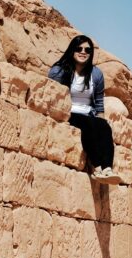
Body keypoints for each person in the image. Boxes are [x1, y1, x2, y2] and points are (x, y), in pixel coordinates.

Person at [48, 35, 121, 184]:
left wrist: (101, 121)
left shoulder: (96, 74)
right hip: (68, 112)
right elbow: (52, 94)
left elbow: (99, 104)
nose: (83, 52)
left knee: (104, 126)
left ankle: (107, 169)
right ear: (72, 50)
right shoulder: (59, 71)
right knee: (88, 125)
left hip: (88, 113)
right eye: (79, 48)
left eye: (87, 50)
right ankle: (97, 168)